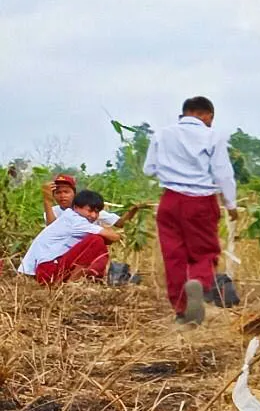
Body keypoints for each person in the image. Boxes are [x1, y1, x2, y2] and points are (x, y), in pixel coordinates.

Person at [144, 96, 237, 325]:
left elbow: (149, 169)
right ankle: (198, 282)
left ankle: (180, 310)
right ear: (206, 115)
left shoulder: (163, 134)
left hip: (170, 200)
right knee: (204, 252)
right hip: (200, 200)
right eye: (211, 119)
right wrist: (231, 204)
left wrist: (173, 173)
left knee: (173, 256)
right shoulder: (212, 136)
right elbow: (222, 173)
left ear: (185, 112)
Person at [19, 190, 122, 284]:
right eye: (90, 211)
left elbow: (109, 239)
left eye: (97, 212)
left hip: (46, 269)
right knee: (96, 241)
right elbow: (114, 237)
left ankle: (87, 278)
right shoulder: (76, 221)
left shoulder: (70, 216)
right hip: (48, 270)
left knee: (98, 243)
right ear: (76, 207)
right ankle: (73, 283)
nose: (94, 216)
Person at [41, 174, 127, 227]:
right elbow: (52, 229)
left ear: (74, 193)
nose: (62, 196)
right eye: (58, 192)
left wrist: (134, 208)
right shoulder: (51, 212)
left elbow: (120, 223)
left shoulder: (88, 209)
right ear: (53, 195)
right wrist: (47, 201)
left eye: (66, 192)